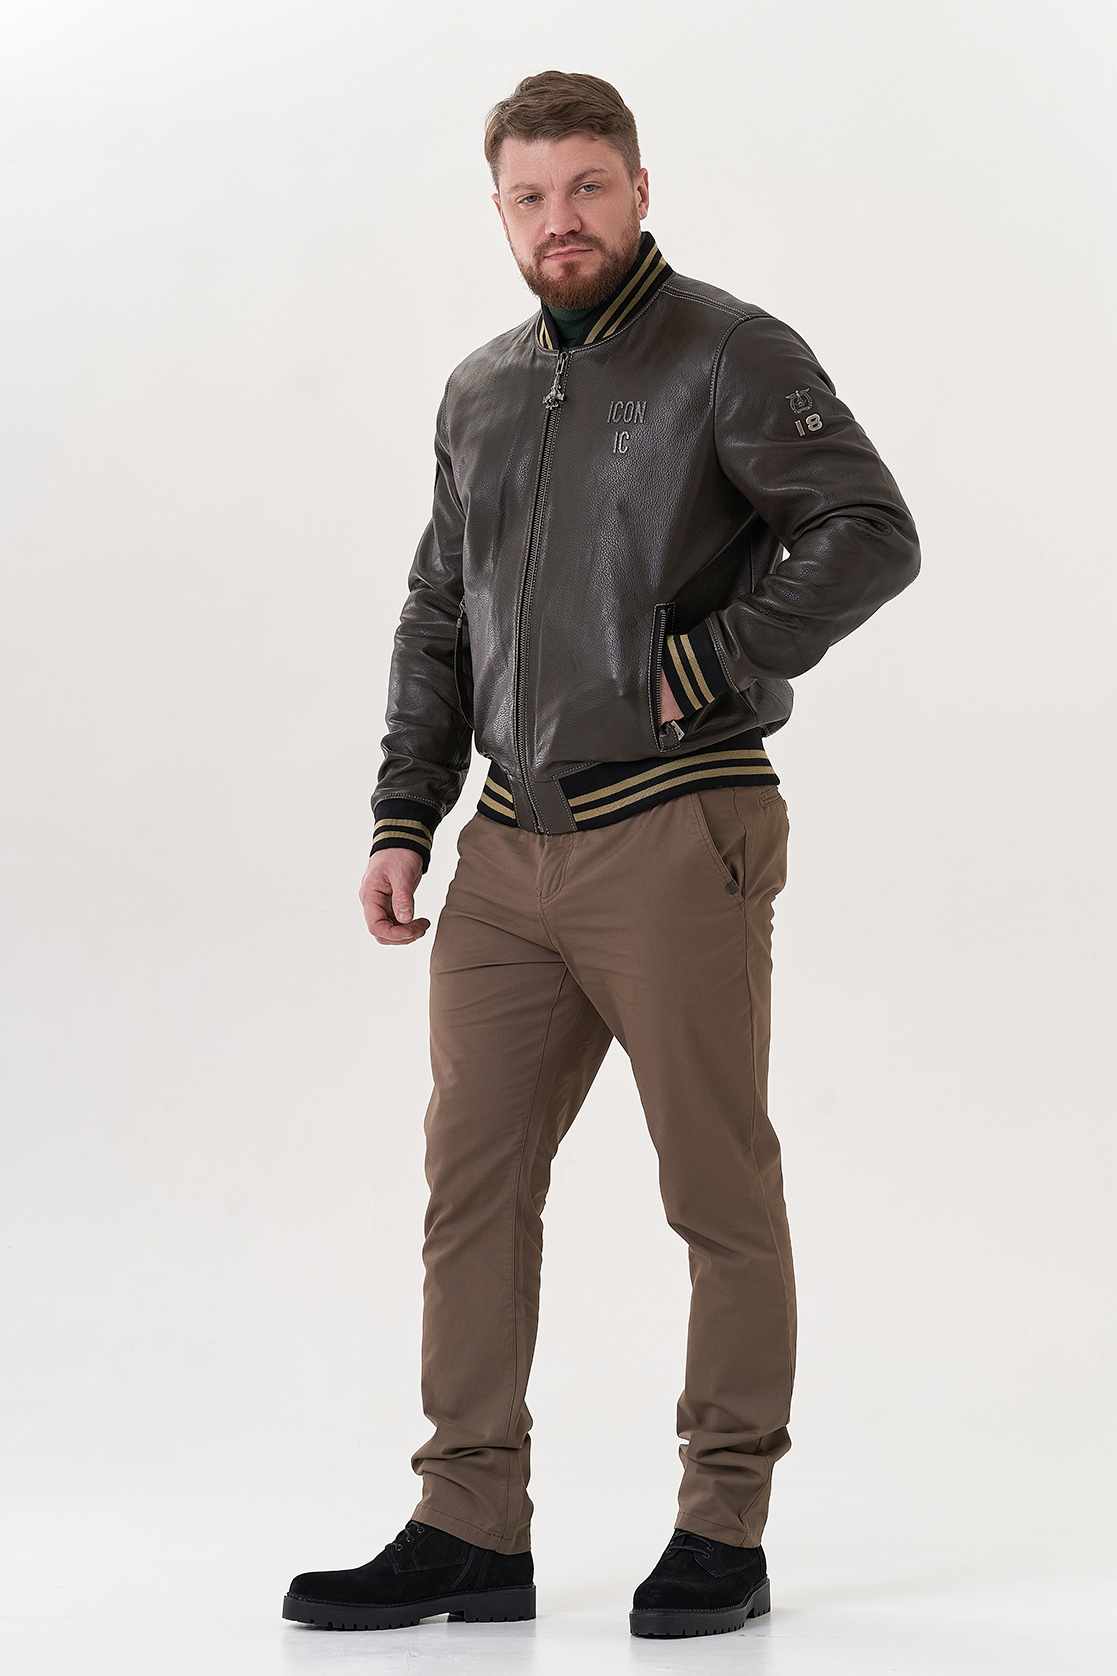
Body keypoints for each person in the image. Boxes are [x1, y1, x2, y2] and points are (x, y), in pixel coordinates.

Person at [282, 69, 920, 1640]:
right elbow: (439, 612)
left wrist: (703, 663)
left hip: (677, 826)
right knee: (470, 1188)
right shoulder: (481, 388)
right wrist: (403, 814)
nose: (556, 219)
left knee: (712, 1183)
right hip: (507, 848)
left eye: (584, 186)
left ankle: (721, 1522)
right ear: (498, 210)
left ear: (638, 189)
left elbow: (865, 529)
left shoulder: (727, 350)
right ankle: (467, 1522)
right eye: (528, 195)